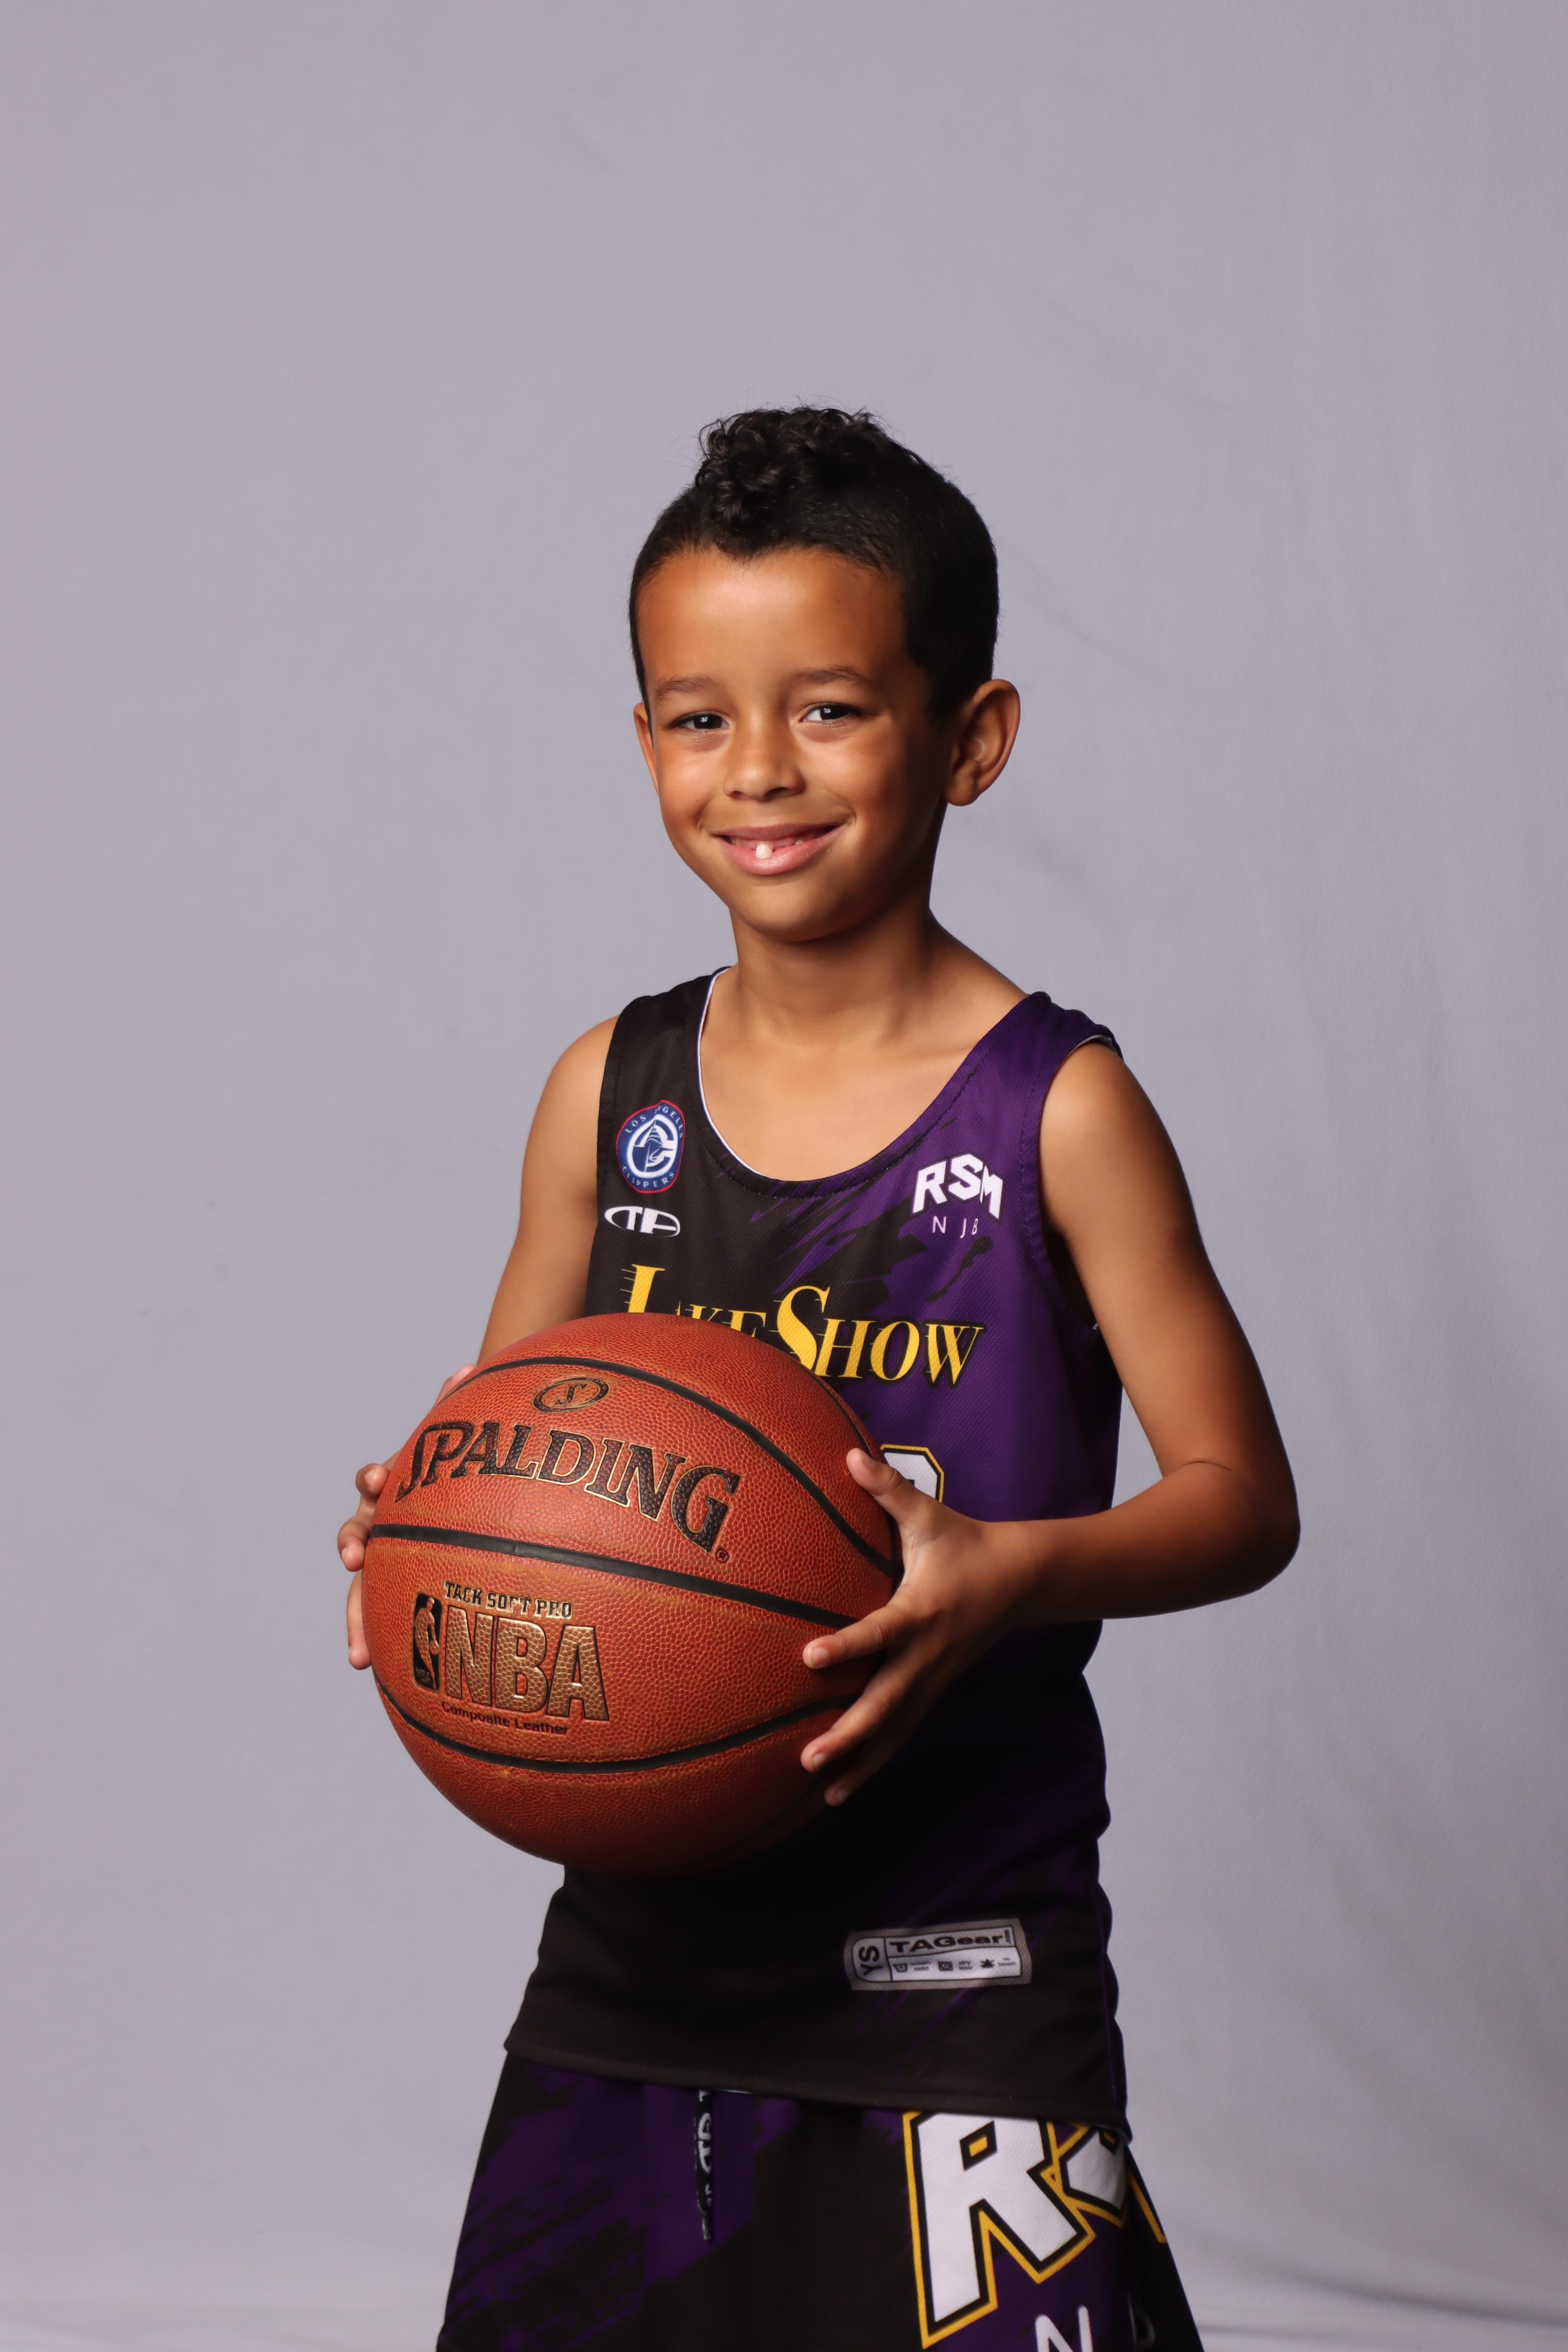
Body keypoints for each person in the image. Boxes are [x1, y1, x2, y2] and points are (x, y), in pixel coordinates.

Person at [337, 408, 1298, 2352]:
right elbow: (508, 1432)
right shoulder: (606, 1095)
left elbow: (1241, 1500)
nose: (758, 769)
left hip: (964, 1951)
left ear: (970, 738)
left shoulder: (1058, 1110)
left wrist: (1007, 1572)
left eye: (832, 710)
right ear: (644, 743)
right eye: (699, 718)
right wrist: (423, 1535)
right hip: (646, 1946)